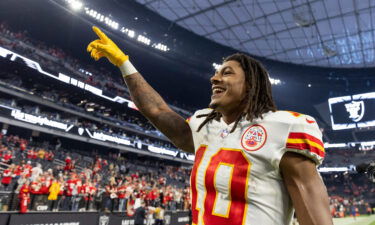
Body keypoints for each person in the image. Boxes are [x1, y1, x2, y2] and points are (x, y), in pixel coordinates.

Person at [87, 26, 333, 225]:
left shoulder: (283, 127)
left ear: (250, 85)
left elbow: (314, 213)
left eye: (227, 73)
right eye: (216, 73)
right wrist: (123, 63)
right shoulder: (206, 125)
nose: (215, 78)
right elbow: (157, 110)